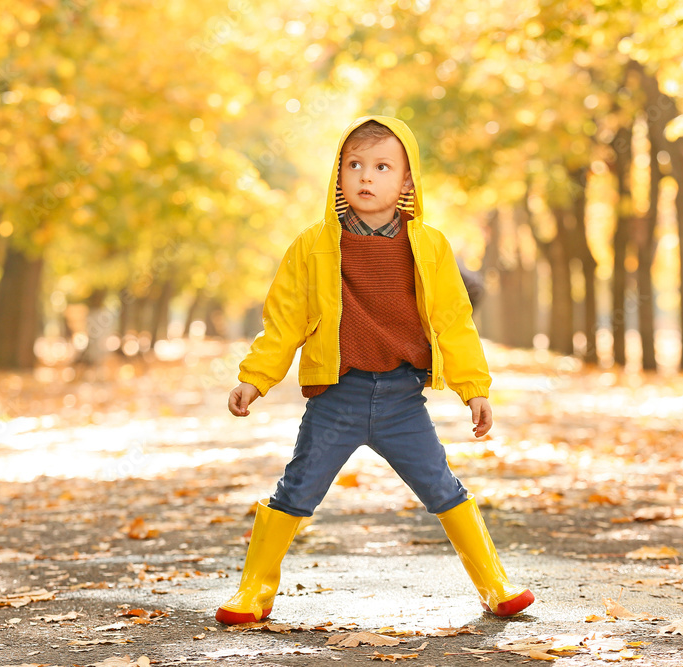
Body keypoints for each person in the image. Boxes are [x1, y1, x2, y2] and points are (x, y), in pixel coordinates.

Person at [217, 116, 534, 625]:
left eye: (382, 166)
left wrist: (474, 388)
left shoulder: (429, 246)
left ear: (406, 181)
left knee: (443, 488)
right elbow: (284, 321)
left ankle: (494, 584)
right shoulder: (313, 246)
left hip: (402, 400)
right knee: (296, 490)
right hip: (336, 398)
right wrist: (254, 378)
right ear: (338, 175)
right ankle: (255, 590)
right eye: (354, 165)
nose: (366, 176)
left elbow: (453, 323)